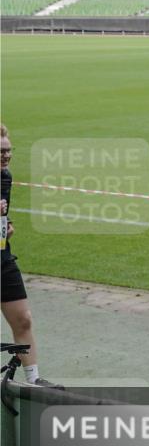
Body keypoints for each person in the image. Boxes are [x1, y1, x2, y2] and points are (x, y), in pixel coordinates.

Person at [1, 124, 62, 389]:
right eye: (1, 151)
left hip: (2, 259)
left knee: (23, 319)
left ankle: (34, 380)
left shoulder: (5, 177)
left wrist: (7, 227)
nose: (6, 156)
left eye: (8, 150)